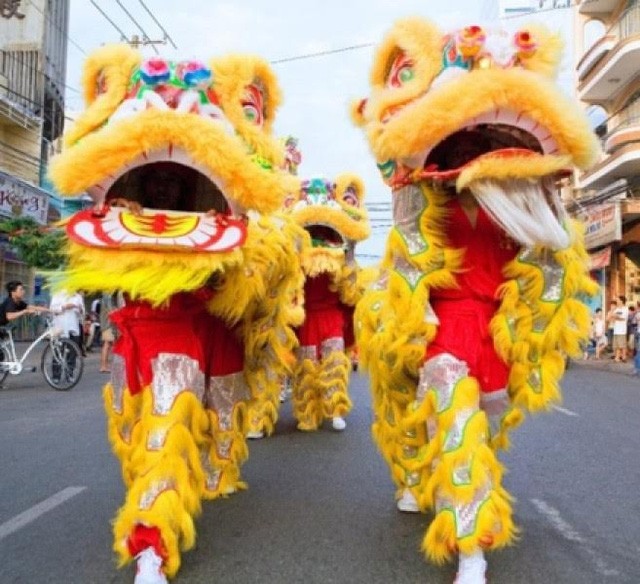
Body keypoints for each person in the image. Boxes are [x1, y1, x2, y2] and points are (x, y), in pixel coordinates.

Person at [50, 289, 86, 353]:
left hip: (73, 328)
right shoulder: (57, 295)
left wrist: (80, 309)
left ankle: (71, 362)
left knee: (72, 353)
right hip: (60, 329)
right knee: (59, 353)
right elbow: (52, 310)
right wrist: (64, 307)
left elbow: (82, 312)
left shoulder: (78, 297)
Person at [99, 291, 122, 373]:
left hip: (108, 323)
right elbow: (111, 310)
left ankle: (105, 365)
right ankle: (103, 366)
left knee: (109, 344)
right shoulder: (107, 296)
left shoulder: (108, 296)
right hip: (107, 323)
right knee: (107, 344)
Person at [612, 296, 629, 362]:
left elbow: (623, 318)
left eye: (618, 300)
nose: (617, 301)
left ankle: (624, 357)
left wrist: (616, 317)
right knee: (617, 345)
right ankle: (617, 357)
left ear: (622, 301)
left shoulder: (625, 309)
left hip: (622, 330)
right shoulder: (616, 309)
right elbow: (612, 317)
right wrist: (615, 316)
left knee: (622, 345)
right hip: (616, 330)